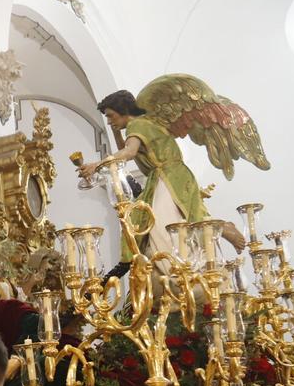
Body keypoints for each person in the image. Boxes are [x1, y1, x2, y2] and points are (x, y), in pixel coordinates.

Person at [78, 90, 244, 264]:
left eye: (111, 116)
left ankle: (214, 235)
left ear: (124, 110)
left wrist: (95, 166)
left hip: (169, 176)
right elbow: (127, 148)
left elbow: (129, 152)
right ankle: (189, 255)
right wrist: (115, 131)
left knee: (160, 225)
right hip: (166, 176)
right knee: (182, 219)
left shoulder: (138, 124)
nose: (109, 121)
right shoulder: (140, 125)